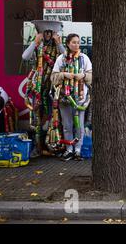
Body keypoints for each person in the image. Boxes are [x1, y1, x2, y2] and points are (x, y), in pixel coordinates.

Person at [22, 20, 66, 157]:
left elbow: (67, 58)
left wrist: (58, 43)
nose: (47, 35)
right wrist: (35, 43)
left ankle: (55, 145)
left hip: (53, 86)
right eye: (45, 32)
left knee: (55, 115)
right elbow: (25, 57)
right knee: (37, 116)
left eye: (50, 32)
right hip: (38, 86)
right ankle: (37, 147)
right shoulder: (37, 45)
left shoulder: (58, 46)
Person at [51, 33, 92, 161]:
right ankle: (69, 149)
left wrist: (83, 76)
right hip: (65, 98)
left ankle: (78, 150)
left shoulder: (84, 58)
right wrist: (63, 74)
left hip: (80, 98)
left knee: (79, 124)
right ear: (68, 44)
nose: (76, 45)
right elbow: (53, 77)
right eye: (73, 42)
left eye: (78, 42)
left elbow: (91, 76)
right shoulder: (61, 59)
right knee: (67, 125)